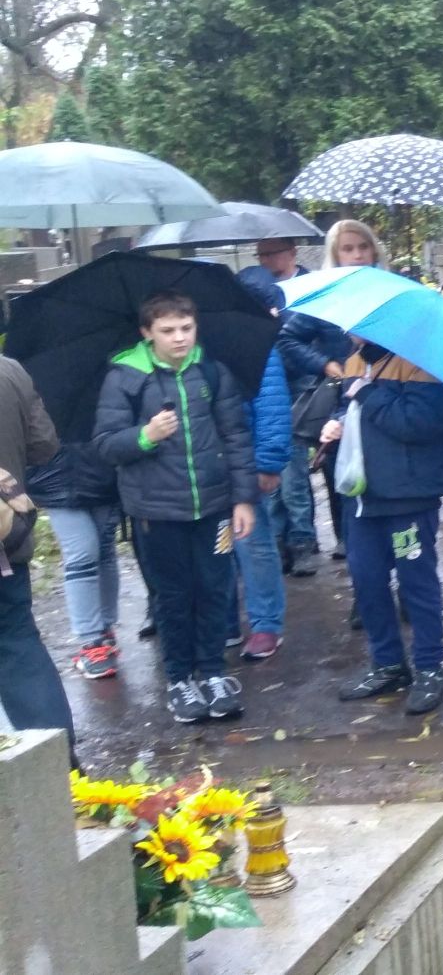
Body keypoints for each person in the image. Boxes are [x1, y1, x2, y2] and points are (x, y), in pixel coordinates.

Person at [92, 291, 257, 723]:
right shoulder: (126, 378)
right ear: (147, 333)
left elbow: (236, 437)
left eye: (186, 328)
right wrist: (145, 435)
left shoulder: (211, 371)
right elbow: (106, 444)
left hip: (214, 507)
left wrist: (243, 499)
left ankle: (214, 674)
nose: (179, 338)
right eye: (167, 331)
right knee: (172, 596)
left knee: (216, 589)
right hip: (156, 513)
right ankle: (180, 679)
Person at [327, 337, 443, 715]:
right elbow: (351, 408)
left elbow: (420, 423)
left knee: (416, 583)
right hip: (363, 498)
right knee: (366, 581)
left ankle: (430, 668)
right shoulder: (355, 360)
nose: (350, 329)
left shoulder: (423, 360)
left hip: (408, 499)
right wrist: (337, 422)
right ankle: (388, 664)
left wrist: (368, 394)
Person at [0, 353, 70, 745]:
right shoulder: (9, 370)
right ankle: (57, 756)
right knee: (18, 643)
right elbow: (45, 445)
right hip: (6, 537)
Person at [254, 237, 333, 576]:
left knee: (295, 473)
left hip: (305, 383)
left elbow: (312, 336)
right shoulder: (259, 289)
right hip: (272, 385)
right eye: (261, 254)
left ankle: (302, 541)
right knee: (277, 471)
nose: (265, 260)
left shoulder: (312, 286)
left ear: (291, 253)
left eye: (271, 253)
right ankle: (281, 542)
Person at [229, 267, 295, 661]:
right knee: (221, 545)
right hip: (212, 460)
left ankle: (266, 623)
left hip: (248, 459)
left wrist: (268, 463)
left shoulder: (259, 346)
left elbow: (271, 406)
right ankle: (225, 623)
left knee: (253, 543)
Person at [315, 220, 388, 564]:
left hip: (388, 397)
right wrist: (325, 363)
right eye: (347, 249)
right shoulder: (328, 295)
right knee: (350, 489)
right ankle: (359, 562)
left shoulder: (392, 291)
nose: (357, 255)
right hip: (346, 401)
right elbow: (289, 337)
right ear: (336, 255)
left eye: (363, 247)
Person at [30, 438, 123, 676]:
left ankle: (105, 629)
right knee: (81, 555)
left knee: (104, 551)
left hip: (102, 468)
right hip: (53, 475)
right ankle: (92, 642)